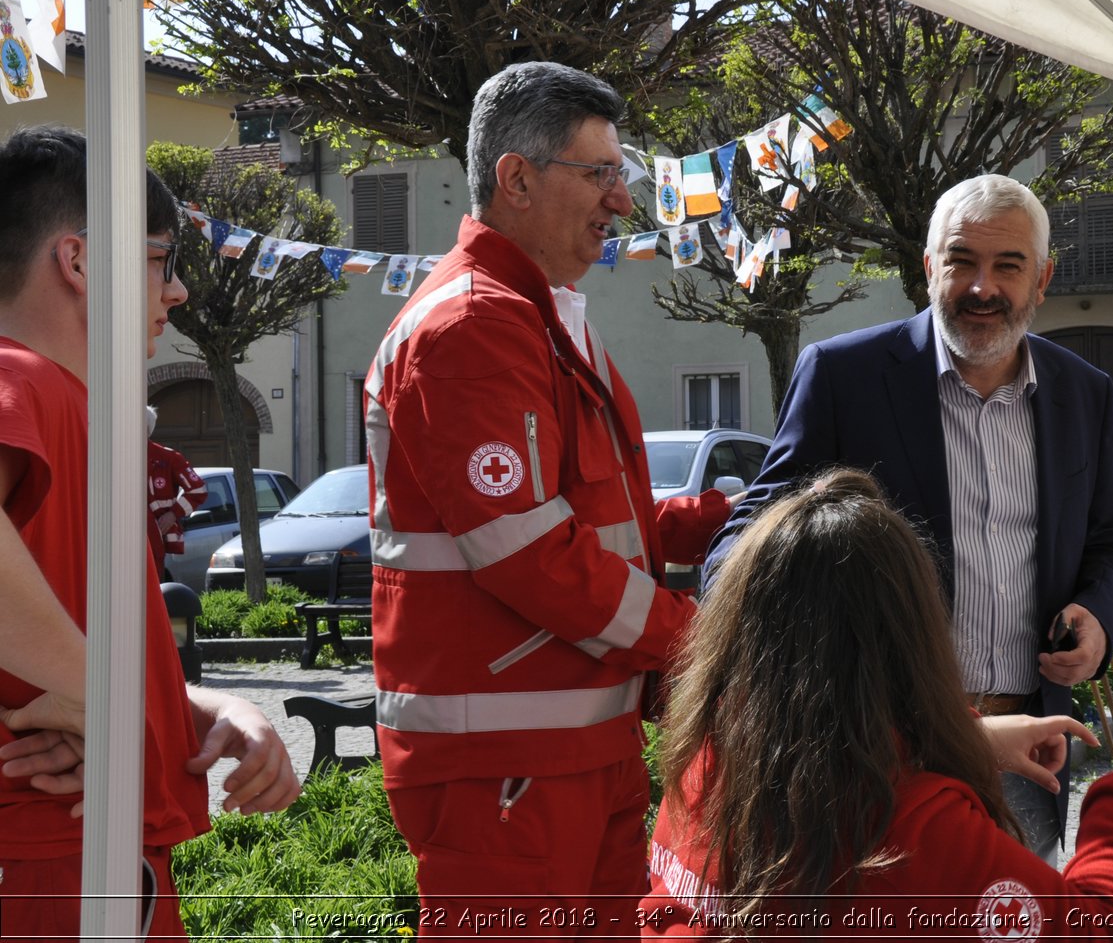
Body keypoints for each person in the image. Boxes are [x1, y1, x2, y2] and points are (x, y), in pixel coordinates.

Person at [365, 62, 732, 936]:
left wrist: (731, 520)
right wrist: (704, 638)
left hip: (562, 751)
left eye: (623, 174)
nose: (624, 202)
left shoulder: (532, 311)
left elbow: (591, 525)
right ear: (516, 179)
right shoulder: (474, 325)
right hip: (507, 766)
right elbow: (533, 557)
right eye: (600, 174)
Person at [704, 173, 1113, 859]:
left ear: (1043, 278)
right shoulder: (843, 376)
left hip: (1027, 747)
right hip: (879, 754)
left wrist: (1098, 615)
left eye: (1008, 266)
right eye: (961, 260)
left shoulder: (1084, 393)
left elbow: (1110, 544)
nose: (981, 286)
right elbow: (741, 551)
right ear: (930, 265)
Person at [644, 468, 1113, 939]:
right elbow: (1107, 929)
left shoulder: (702, 764)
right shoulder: (909, 830)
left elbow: (821, 742)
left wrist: (968, 736)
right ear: (910, 638)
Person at [0, 125, 300, 938]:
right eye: (160, 259)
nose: (176, 293)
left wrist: (196, 707)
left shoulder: (64, 405)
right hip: (52, 863)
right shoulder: (21, 376)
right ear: (81, 260)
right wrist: (102, 695)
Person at [146, 405, 207, 583]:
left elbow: (198, 491)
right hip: (120, 531)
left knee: (151, 584)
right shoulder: (115, 455)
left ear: (146, 428)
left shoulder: (168, 458)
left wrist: (173, 514)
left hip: (154, 534)